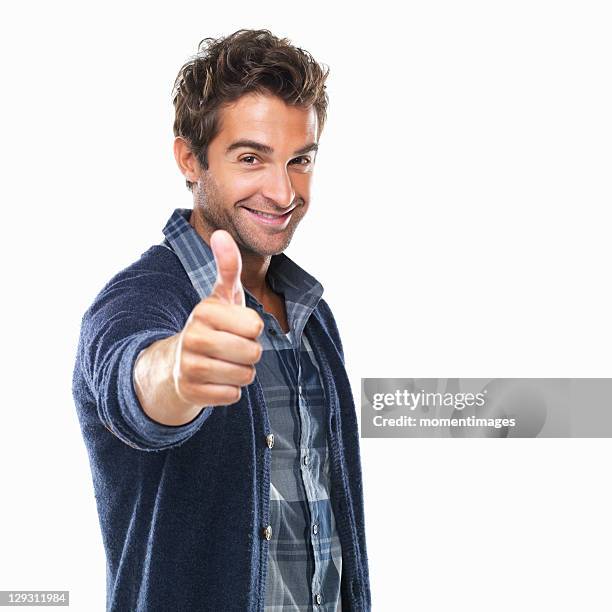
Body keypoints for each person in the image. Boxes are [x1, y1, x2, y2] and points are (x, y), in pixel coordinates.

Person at [72, 29, 371, 611]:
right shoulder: (138, 299)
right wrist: (179, 372)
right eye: (251, 158)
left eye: (300, 160)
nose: (283, 192)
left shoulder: (313, 314)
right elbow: (130, 381)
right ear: (189, 158)